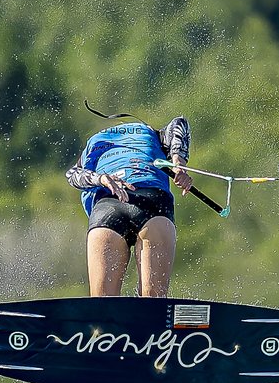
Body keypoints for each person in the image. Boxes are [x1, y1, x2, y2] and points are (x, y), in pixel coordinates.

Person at [66, 114, 193, 298]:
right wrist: (178, 164)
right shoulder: (153, 134)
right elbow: (179, 124)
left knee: (103, 306)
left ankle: (106, 325)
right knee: (153, 304)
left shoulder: (93, 144)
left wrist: (101, 178)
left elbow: (73, 175)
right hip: (152, 202)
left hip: (107, 208)